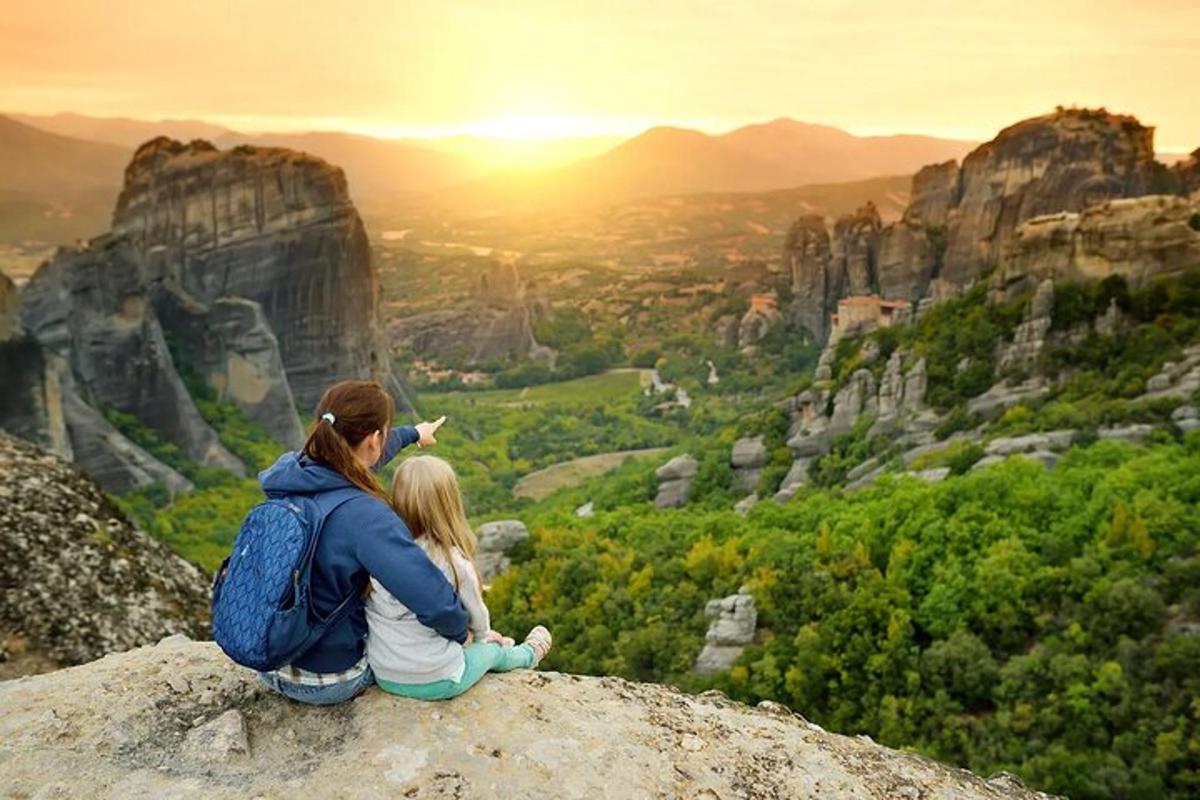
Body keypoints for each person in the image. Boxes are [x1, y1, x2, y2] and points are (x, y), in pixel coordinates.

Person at [257, 379, 466, 705]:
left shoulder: (294, 473)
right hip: (327, 680)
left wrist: (413, 433)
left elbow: (354, 462)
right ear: (373, 440)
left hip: (268, 662)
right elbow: (434, 602)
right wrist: (462, 634)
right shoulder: (365, 517)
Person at [366, 455, 552, 700]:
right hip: (438, 677)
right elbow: (477, 615)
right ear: (449, 505)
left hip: (386, 673)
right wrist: (484, 639)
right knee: (494, 652)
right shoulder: (453, 562)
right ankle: (528, 654)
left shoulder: (380, 552)